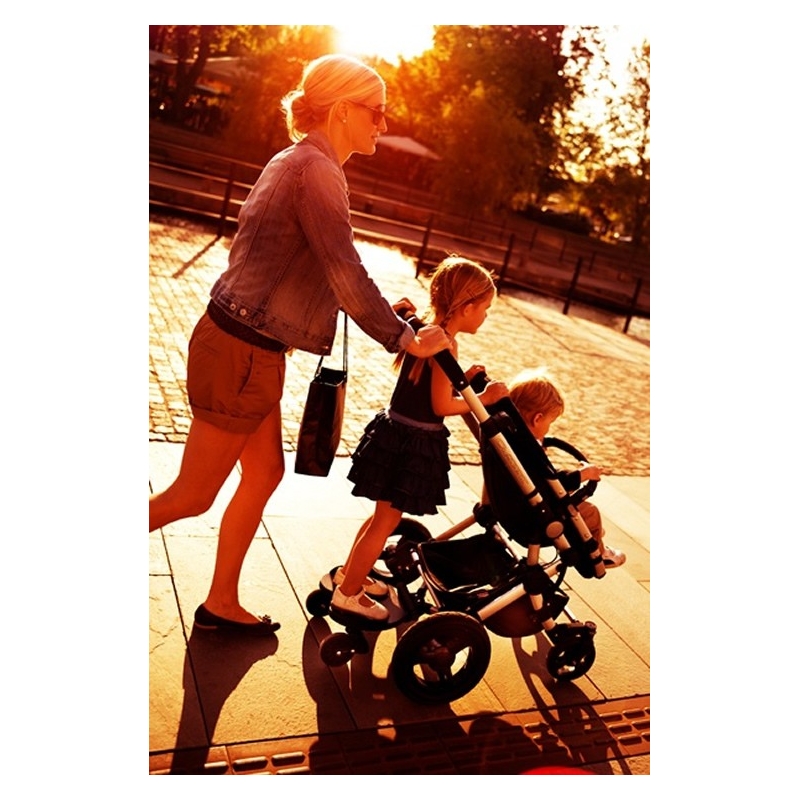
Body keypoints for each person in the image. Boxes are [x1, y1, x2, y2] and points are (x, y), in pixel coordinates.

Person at [149, 54, 451, 636]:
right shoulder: (316, 171)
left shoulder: (300, 161)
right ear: (342, 111)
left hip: (248, 348)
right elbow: (342, 266)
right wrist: (402, 338)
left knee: (264, 473)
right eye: (376, 112)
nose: (383, 124)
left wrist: (390, 314)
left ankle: (221, 602)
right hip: (241, 352)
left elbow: (316, 269)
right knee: (191, 495)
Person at [333, 257, 509, 621]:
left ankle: (350, 575)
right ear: (467, 307)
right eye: (485, 308)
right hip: (412, 442)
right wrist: (485, 398)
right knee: (384, 522)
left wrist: (464, 377)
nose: (486, 316)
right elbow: (441, 404)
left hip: (393, 432)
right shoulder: (445, 345)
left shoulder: (426, 332)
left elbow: (432, 386)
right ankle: (348, 593)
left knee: (380, 518)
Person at [507, 368, 626, 568]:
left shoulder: (511, 437)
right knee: (589, 512)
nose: (549, 428)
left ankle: (595, 532)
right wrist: (583, 474)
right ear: (537, 419)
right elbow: (551, 479)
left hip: (511, 508)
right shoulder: (530, 451)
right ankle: (599, 552)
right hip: (533, 519)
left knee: (581, 512)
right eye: (550, 422)